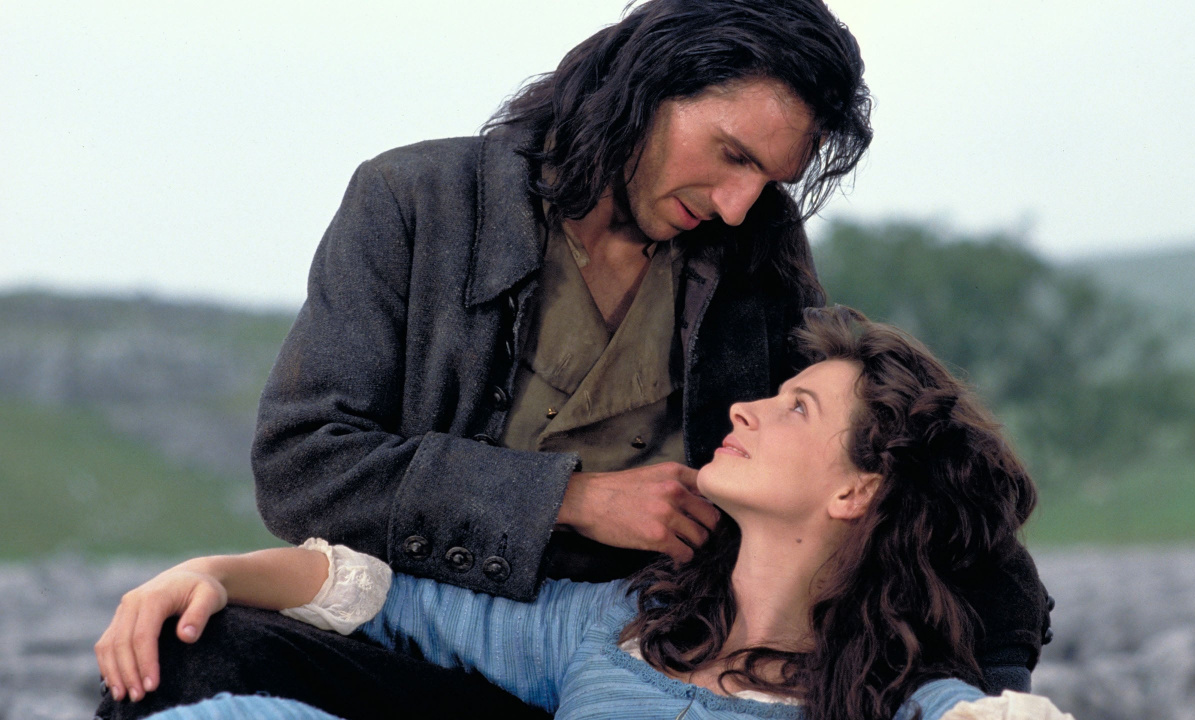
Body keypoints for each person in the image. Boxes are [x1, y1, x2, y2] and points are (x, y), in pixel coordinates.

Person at [96, 0, 1050, 717]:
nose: (735, 203)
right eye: (727, 153)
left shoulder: (754, 247)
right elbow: (304, 464)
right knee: (183, 652)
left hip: (659, 656)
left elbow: (895, 461)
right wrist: (570, 498)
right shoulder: (414, 202)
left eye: (767, 177)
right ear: (644, 85)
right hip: (438, 657)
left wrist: (987, 694)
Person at [95, 307, 1073, 720]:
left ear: (855, 489)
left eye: (796, 408)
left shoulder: (886, 702)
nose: (745, 408)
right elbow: (368, 593)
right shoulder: (617, 625)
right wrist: (210, 573)